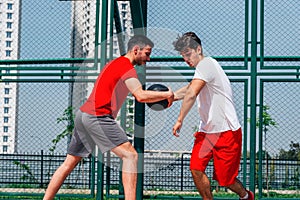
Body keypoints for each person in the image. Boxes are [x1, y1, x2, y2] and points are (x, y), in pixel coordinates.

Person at [43, 35, 174, 200]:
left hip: (84, 115)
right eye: (147, 53)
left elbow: (144, 95)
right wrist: (165, 94)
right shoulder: (126, 66)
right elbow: (140, 95)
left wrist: (170, 96)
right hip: (97, 116)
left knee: (68, 163)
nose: (149, 58)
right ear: (136, 50)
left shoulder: (115, 63)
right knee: (130, 155)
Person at [171, 32, 254, 200]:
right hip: (207, 133)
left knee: (226, 180)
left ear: (198, 49)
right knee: (195, 168)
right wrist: (170, 97)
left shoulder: (207, 64)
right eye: (182, 56)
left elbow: (192, 94)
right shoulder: (202, 71)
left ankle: (246, 196)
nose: (186, 59)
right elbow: (189, 89)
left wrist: (180, 119)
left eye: (188, 54)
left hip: (227, 132)